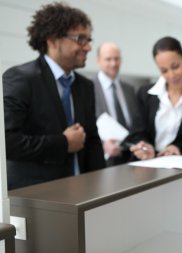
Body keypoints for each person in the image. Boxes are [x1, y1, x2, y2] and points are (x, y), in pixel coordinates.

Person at [3, 2, 106, 190]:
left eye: (89, 39)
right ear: (52, 40)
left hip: (82, 191)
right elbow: (7, 142)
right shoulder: (20, 79)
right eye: (80, 39)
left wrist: (101, 186)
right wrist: (63, 143)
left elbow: (91, 140)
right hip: (37, 196)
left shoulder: (85, 86)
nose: (88, 47)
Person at [93, 42, 139, 166]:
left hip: (131, 158)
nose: (113, 64)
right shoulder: (89, 88)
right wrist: (102, 145)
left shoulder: (129, 89)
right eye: (108, 59)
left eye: (116, 59)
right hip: (103, 160)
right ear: (98, 61)